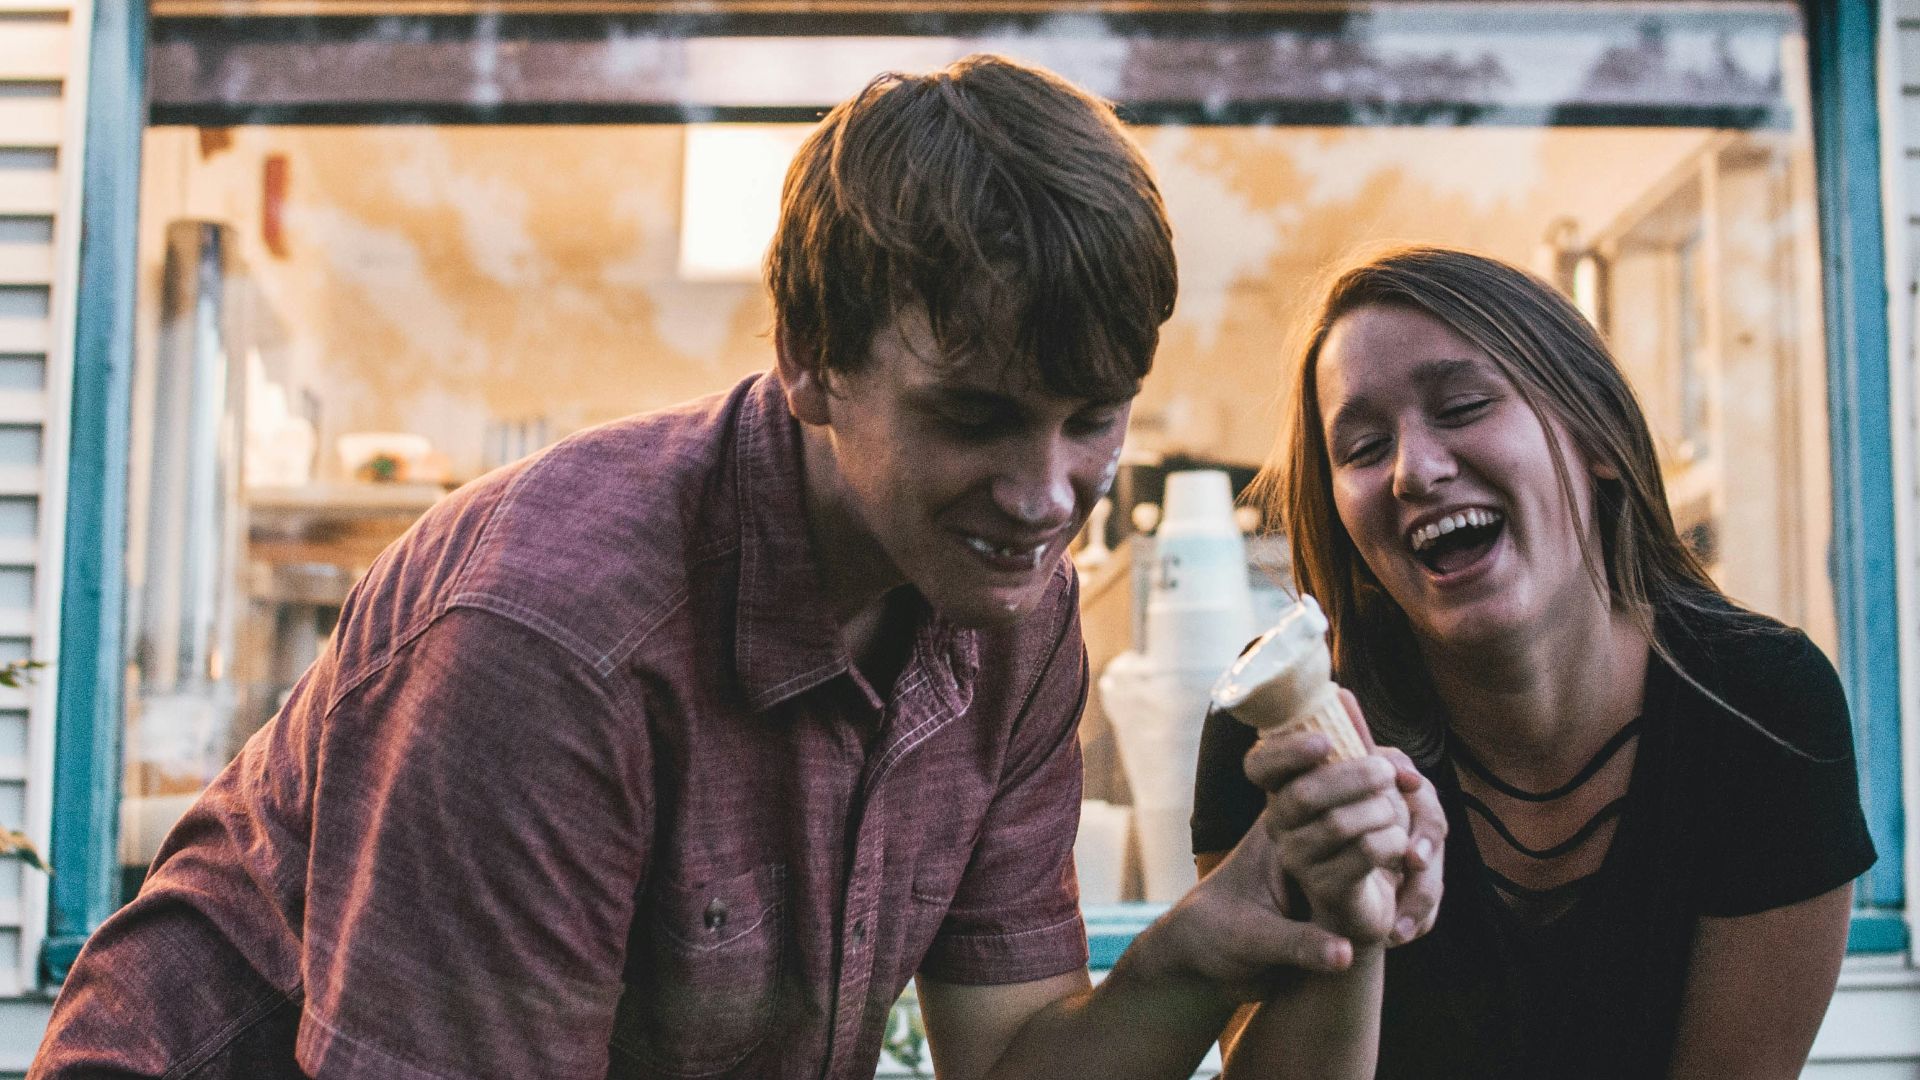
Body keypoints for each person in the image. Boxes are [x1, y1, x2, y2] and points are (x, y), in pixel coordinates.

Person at [33, 57, 1444, 1080]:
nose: (1044, 497)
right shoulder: (552, 637)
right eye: (973, 418)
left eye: (1091, 419)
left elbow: (1013, 1060)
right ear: (811, 364)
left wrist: (1209, 937)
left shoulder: (1010, 620)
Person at [1193, 245, 1876, 1079]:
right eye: (1364, 447)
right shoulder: (1283, 739)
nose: (1415, 469)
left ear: (1595, 434)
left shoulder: (1760, 706)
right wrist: (1345, 920)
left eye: (1464, 405)